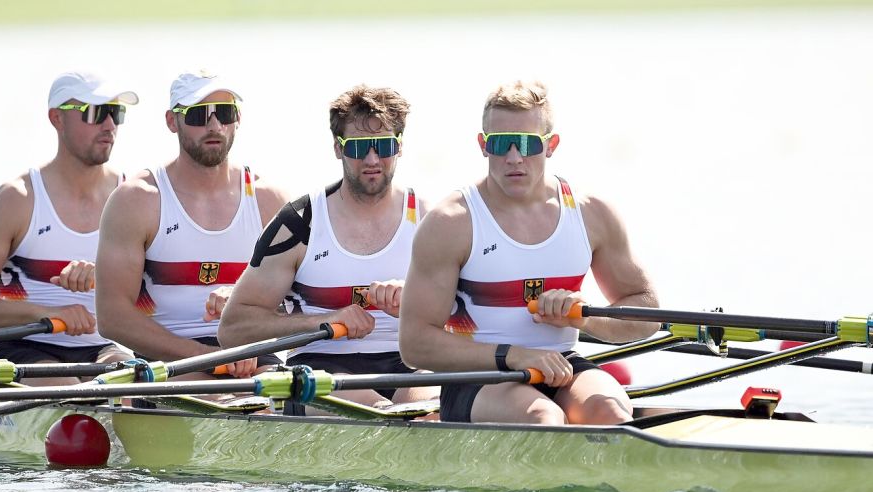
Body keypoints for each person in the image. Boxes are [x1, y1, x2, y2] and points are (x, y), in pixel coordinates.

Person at [399, 80, 659, 425]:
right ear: (483, 145)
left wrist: (585, 319)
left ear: (550, 146)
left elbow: (648, 312)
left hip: (561, 361)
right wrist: (514, 356)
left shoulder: (592, 213)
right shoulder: (451, 223)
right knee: (543, 416)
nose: (514, 157)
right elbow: (415, 343)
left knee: (609, 411)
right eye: (501, 143)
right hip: (478, 377)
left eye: (527, 144)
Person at [219, 84, 438, 414]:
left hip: (408, 364)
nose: (372, 159)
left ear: (400, 147)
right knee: (373, 409)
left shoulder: (428, 219)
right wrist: (324, 320)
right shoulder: (299, 223)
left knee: (427, 407)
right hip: (321, 367)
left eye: (383, 146)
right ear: (338, 148)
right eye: (358, 148)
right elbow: (233, 327)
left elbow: (469, 320)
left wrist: (415, 303)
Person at [0, 71, 137, 384]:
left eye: (116, 113)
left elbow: (159, 293)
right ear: (56, 118)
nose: (110, 125)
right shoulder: (18, 199)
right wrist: (44, 314)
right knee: (69, 388)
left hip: (101, 349)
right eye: (95, 113)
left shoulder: (133, 198)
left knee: (133, 382)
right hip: (25, 346)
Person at [96, 71, 289, 379]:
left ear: (237, 118)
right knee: (224, 398)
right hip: (169, 357)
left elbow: (297, 302)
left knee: (274, 396)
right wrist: (206, 356)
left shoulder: (268, 200)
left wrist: (246, 301)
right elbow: (112, 317)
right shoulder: (138, 200)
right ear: (172, 121)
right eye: (199, 115)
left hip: (250, 355)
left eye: (224, 113)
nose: (215, 126)